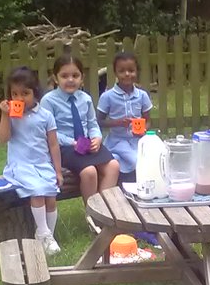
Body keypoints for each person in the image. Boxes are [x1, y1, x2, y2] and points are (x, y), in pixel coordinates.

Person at [40, 54, 120, 234]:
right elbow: (48, 131)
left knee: (113, 166)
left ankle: (105, 212)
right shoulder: (49, 101)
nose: (70, 80)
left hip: (86, 144)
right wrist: (72, 142)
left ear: (82, 78)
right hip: (64, 147)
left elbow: (92, 123)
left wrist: (97, 138)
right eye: (64, 76)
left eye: (75, 76)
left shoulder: (85, 99)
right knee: (90, 171)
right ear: (55, 78)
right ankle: (92, 216)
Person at [0, 66, 63, 256]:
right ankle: (43, 233)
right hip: (21, 166)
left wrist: (57, 170)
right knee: (37, 192)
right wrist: (5, 115)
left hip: (42, 165)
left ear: (35, 93)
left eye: (25, 93)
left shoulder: (45, 116)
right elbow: (3, 138)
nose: (19, 99)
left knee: (51, 196)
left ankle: (47, 235)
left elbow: (53, 145)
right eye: (14, 94)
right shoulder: (12, 115)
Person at [96, 51, 153, 183]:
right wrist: (117, 123)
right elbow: (99, 122)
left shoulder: (142, 96)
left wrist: (143, 130)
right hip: (117, 141)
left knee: (154, 157)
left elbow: (148, 120)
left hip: (137, 140)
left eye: (131, 70)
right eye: (122, 71)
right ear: (115, 72)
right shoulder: (108, 96)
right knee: (136, 160)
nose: (127, 74)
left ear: (137, 72)